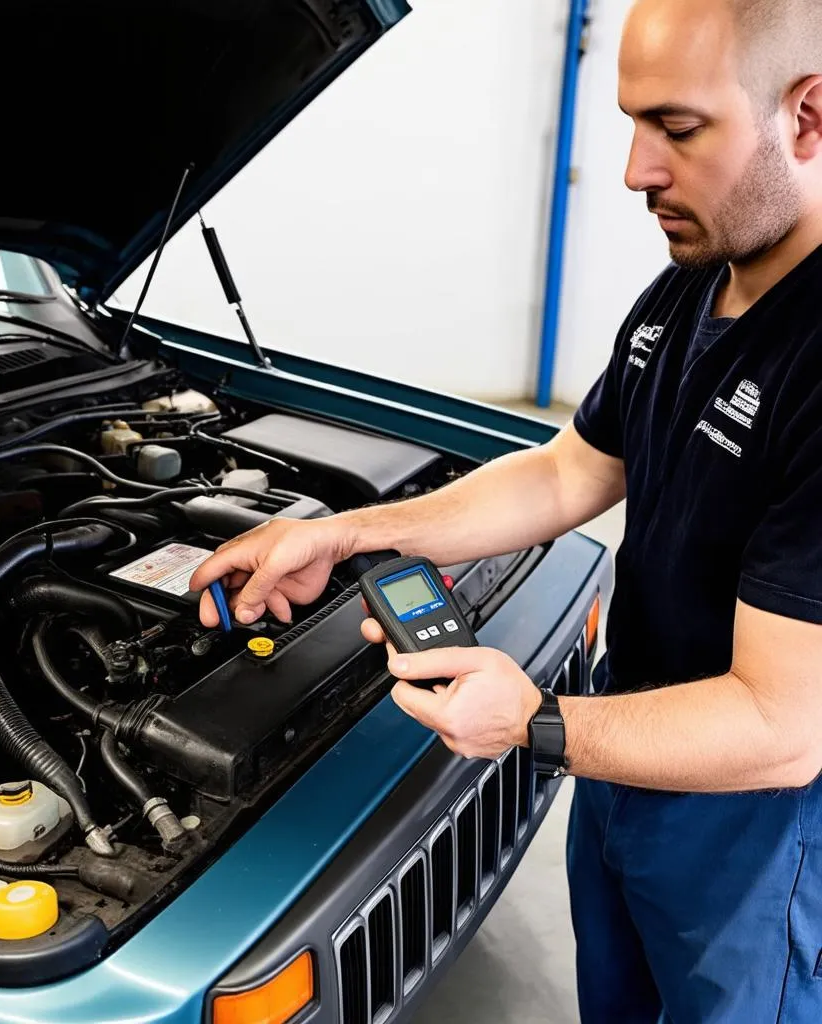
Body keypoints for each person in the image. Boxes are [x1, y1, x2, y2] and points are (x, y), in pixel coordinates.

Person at [190, 0, 822, 1018]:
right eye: (629, 123)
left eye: (678, 127)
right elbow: (568, 471)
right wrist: (348, 530)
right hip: (627, 752)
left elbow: (785, 725)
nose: (634, 171)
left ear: (806, 115)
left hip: (750, 825)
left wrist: (536, 723)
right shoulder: (691, 288)